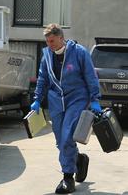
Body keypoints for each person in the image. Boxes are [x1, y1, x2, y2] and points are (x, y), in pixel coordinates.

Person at [30, 23, 102, 194]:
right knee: (60, 140)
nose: (49, 44)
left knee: (67, 135)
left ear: (61, 38)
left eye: (52, 41)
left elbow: (90, 76)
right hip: (56, 100)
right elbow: (43, 79)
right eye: (47, 41)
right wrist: (37, 100)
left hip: (77, 98)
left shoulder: (79, 52)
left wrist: (94, 99)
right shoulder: (47, 55)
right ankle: (78, 159)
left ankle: (68, 177)